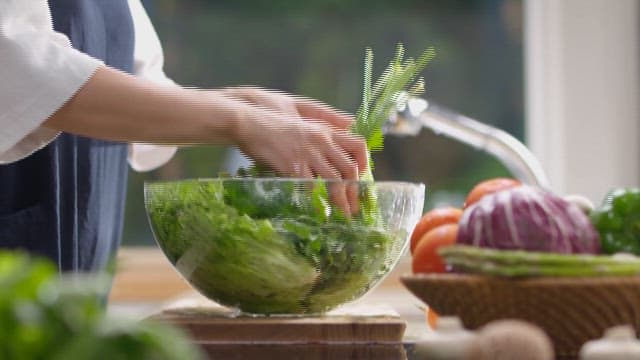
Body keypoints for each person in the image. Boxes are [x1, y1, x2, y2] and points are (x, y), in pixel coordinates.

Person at [0, 0, 367, 273]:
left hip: (76, 294)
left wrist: (248, 104)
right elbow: (20, 69)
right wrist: (240, 120)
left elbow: (138, 87)